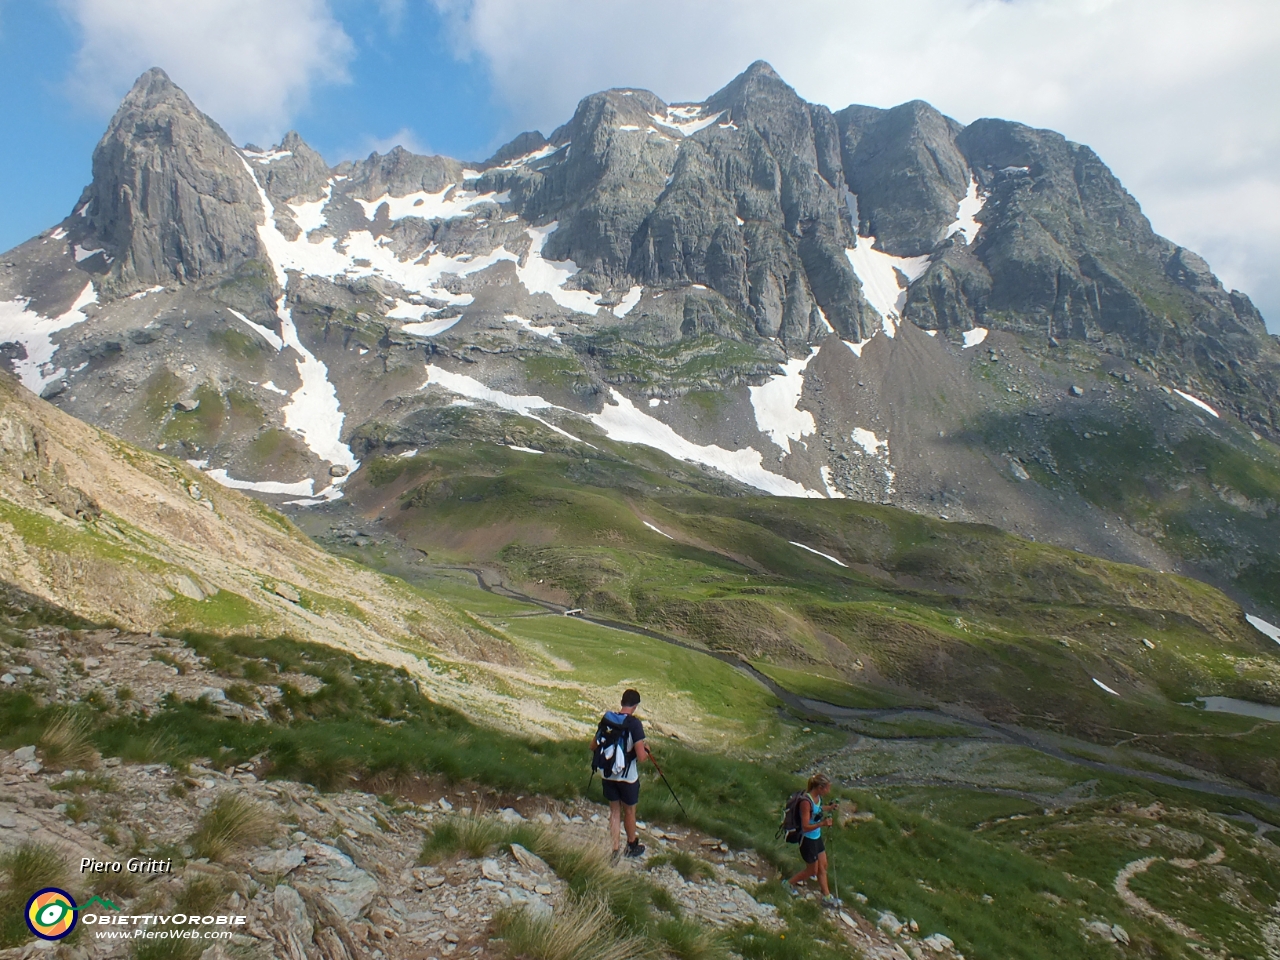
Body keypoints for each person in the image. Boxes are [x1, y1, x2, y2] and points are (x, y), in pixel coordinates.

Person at [594, 688, 651, 858]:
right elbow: (641, 757)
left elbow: (593, 746)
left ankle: (615, 849)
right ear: (635, 706)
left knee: (614, 811)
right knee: (630, 811)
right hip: (628, 777)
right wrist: (646, 750)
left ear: (621, 702)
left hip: (608, 774)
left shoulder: (608, 719)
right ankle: (631, 845)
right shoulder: (635, 724)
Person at [783, 773, 841, 908]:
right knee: (812, 871)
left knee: (823, 865)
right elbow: (805, 826)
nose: (829, 791)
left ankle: (827, 897)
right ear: (820, 787)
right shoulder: (805, 802)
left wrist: (829, 808)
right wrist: (823, 824)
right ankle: (787, 884)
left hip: (816, 837)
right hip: (807, 840)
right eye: (827, 788)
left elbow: (818, 809)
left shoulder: (817, 798)